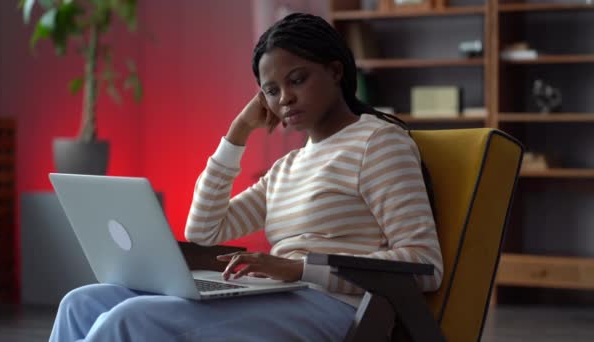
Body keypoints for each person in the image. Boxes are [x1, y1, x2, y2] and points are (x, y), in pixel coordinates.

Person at [49, 13, 442, 341]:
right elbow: (205, 229)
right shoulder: (288, 167)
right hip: (279, 294)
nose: (283, 98)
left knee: (131, 320)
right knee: (81, 302)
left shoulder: (377, 142)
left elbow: (423, 264)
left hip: (334, 308)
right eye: (270, 90)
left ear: (335, 71)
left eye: (297, 79)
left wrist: (299, 268)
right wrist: (237, 133)